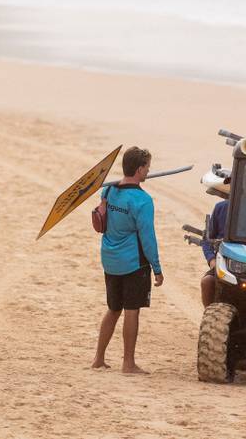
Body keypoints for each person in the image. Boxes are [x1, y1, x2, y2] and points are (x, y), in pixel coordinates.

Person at [91, 146, 163, 374]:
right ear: (140, 169)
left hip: (110, 259)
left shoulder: (109, 192)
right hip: (133, 262)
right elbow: (147, 237)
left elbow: (100, 218)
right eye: (147, 168)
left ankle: (98, 358)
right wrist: (157, 268)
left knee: (113, 309)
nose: (149, 172)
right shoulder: (142, 200)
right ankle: (128, 363)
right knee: (132, 310)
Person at [200, 197, 228, 307]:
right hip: (226, 261)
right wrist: (212, 259)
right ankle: (209, 315)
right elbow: (207, 240)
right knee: (207, 282)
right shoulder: (221, 207)